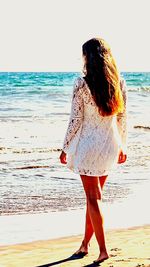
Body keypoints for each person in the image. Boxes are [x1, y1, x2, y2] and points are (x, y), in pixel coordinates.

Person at [59, 37, 127, 264]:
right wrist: (123, 145)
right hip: (109, 146)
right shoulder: (119, 83)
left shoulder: (81, 83)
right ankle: (85, 244)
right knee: (94, 199)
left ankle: (103, 250)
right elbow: (122, 119)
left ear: (89, 57)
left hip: (88, 147)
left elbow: (75, 119)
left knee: (93, 199)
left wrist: (65, 147)